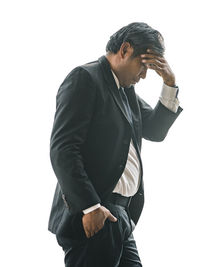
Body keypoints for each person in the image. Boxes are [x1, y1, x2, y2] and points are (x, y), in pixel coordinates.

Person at [48, 22, 183, 267]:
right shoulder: (85, 78)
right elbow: (63, 149)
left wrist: (169, 84)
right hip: (95, 213)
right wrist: (90, 207)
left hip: (121, 217)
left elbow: (155, 129)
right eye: (144, 66)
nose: (144, 76)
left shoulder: (125, 90)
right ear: (125, 50)